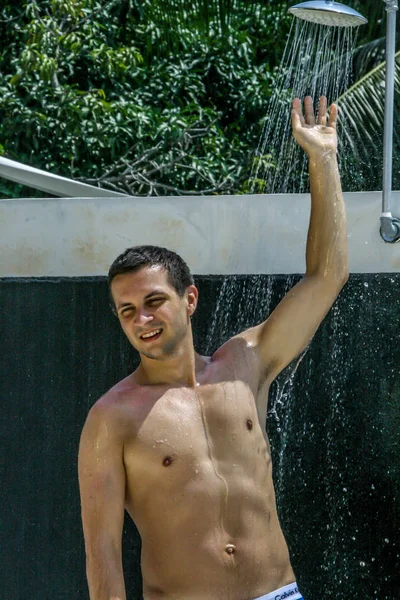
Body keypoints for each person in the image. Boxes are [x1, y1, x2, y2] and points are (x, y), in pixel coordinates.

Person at [78, 96, 348, 600]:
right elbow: (102, 557)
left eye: (154, 301)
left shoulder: (244, 364)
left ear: (190, 298)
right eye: (128, 310)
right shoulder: (111, 418)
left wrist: (323, 160)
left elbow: (327, 276)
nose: (143, 319)